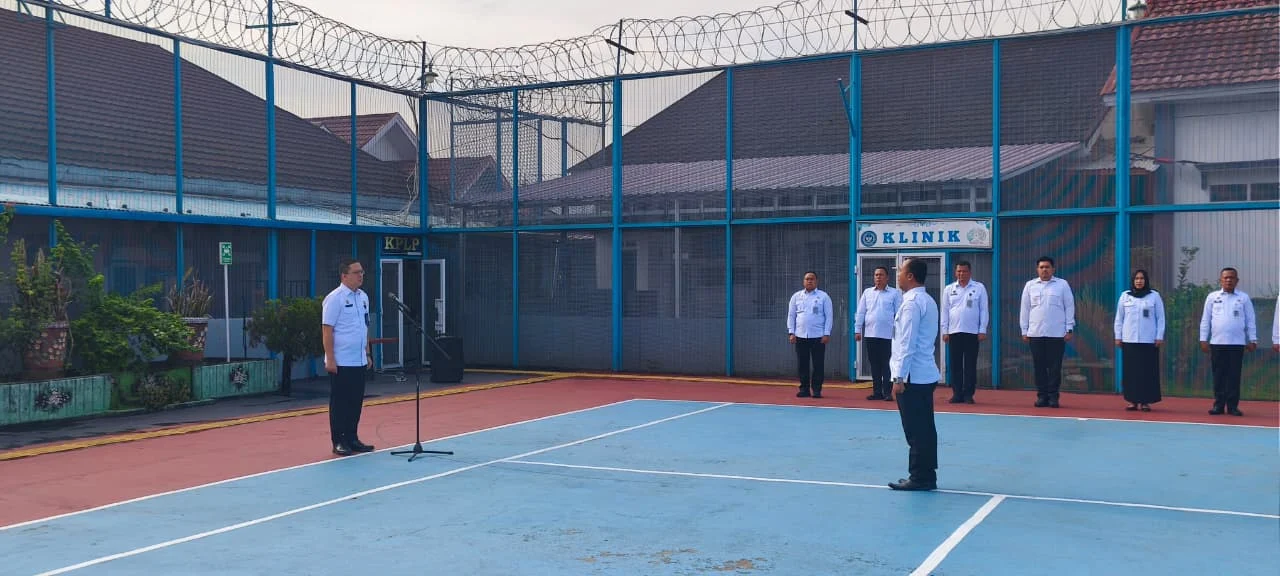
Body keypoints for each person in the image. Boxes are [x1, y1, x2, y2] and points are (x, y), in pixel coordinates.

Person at [888, 258, 941, 492]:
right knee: (925, 428)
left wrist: (899, 378)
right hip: (923, 374)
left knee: (916, 430)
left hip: (913, 376)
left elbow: (906, 343)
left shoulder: (911, 304)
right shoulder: (927, 300)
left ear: (910, 276)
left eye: (900, 271)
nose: (898, 275)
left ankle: (920, 477)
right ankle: (926, 474)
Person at [322, 259, 375, 455]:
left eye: (362, 272)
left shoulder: (363, 297)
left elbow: (364, 327)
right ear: (344, 275)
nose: (361, 275)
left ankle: (352, 437)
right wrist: (330, 358)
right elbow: (327, 330)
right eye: (356, 272)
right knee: (340, 403)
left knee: (355, 401)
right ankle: (339, 440)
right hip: (341, 360)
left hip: (358, 359)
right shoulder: (334, 298)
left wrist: (367, 353)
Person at [1199, 267, 1257, 417]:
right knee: (1219, 375)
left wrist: (1253, 339)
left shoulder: (1243, 298)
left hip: (1237, 344)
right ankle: (1218, 405)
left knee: (1234, 376)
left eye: (1232, 278)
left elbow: (1250, 320)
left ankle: (1232, 406)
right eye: (1226, 278)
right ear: (1220, 280)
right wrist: (1203, 339)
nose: (1229, 280)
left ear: (1237, 280)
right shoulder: (1212, 297)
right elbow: (1205, 319)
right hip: (1217, 343)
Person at [1019, 256, 1075, 408]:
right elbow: (1025, 309)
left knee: (1055, 367)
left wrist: (1069, 328)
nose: (1044, 270)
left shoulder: (1062, 285)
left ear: (1053, 269)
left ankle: (1053, 397)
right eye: (1042, 267)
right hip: (1036, 333)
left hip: (1056, 334)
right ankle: (1042, 396)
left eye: (1047, 267)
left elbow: (1069, 307)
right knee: (1039, 367)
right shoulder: (1030, 285)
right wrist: (1024, 330)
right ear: (1037, 269)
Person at [1114, 270, 1165, 412]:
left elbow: (1160, 318)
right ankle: (1132, 401)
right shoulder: (1125, 296)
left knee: (1147, 372)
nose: (1139, 281)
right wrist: (1118, 336)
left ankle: (1145, 402)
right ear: (1133, 281)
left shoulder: (1154, 296)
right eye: (1136, 278)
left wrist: (1159, 336)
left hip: (1148, 340)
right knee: (1131, 372)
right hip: (1129, 339)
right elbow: (1119, 318)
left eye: (1142, 278)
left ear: (1146, 280)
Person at [940, 261, 988, 404]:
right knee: (955, 365)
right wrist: (945, 330)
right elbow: (945, 311)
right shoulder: (949, 289)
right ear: (955, 273)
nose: (961, 274)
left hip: (972, 332)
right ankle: (957, 394)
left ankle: (968, 394)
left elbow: (984, 310)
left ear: (970, 272)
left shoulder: (979, 288)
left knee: (970, 365)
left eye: (964, 271)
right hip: (954, 332)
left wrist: (982, 329)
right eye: (959, 271)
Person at [855, 266, 901, 401]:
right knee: (874, 364)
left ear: (887, 278)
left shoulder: (894, 293)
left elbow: (899, 314)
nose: (878, 277)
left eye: (881, 275)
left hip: (888, 335)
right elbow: (861, 312)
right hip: (871, 334)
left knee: (887, 364)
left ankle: (887, 392)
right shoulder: (867, 292)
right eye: (876, 275)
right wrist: (857, 329)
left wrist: (899, 333)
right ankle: (877, 392)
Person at [787, 271, 833, 398]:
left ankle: (817, 390)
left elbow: (829, 316)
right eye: (807, 279)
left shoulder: (824, 297)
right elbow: (791, 315)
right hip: (800, 336)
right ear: (803, 281)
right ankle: (804, 389)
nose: (809, 281)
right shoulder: (796, 296)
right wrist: (791, 332)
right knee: (802, 364)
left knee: (818, 364)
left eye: (812, 279)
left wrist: (826, 333)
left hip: (818, 336)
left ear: (816, 281)